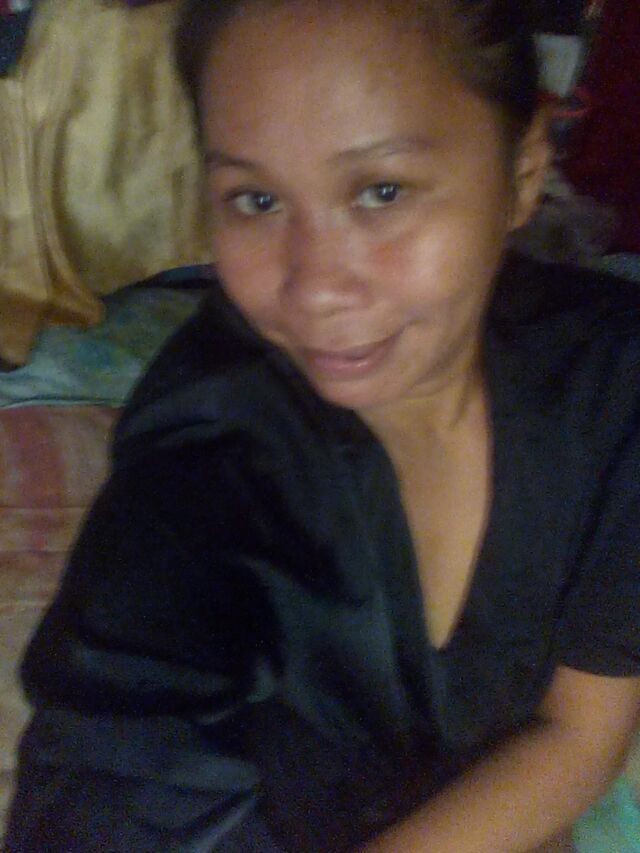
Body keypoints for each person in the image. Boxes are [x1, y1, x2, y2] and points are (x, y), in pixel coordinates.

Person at [4, 0, 640, 850]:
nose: (315, 287)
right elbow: (103, 771)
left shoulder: (615, 381)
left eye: (382, 191)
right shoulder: (206, 456)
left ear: (523, 168)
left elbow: (581, 731)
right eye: (257, 199)